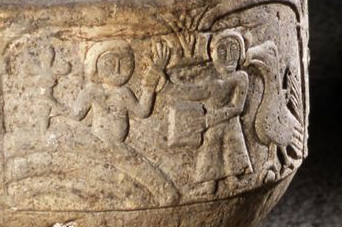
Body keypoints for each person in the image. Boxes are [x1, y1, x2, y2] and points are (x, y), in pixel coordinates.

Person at [168, 30, 253, 193]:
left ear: (241, 52)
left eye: (234, 50)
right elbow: (192, 92)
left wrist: (209, 119)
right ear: (213, 55)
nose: (229, 56)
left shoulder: (240, 77)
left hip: (228, 123)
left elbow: (237, 108)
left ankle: (233, 181)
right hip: (213, 125)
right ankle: (210, 185)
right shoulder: (212, 82)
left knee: (232, 150)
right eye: (222, 51)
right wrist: (167, 85)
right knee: (210, 152)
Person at [70, 39, 170, 144]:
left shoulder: (123, 92)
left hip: (119, 145)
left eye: (125, 63)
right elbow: (76, 115)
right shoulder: (92, 91)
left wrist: (152, 78)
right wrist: (56, 105)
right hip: (97, 142)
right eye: (109, 63)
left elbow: (142, 112)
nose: (117, 70)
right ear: (95, 66)